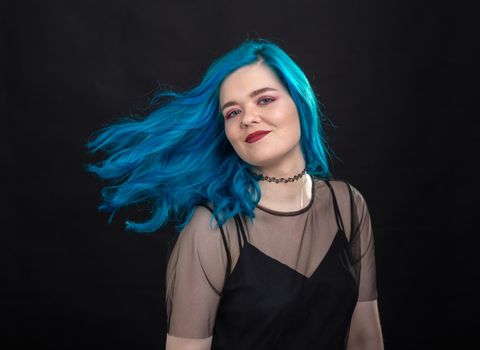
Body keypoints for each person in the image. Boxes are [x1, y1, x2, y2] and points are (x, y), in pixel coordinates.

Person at [86, 39, 383, 350]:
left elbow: (366, 339)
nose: (247, 118)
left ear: (300, 99)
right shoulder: (213, 228)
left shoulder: (348, 206)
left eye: (265, 100)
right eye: (232, 112)